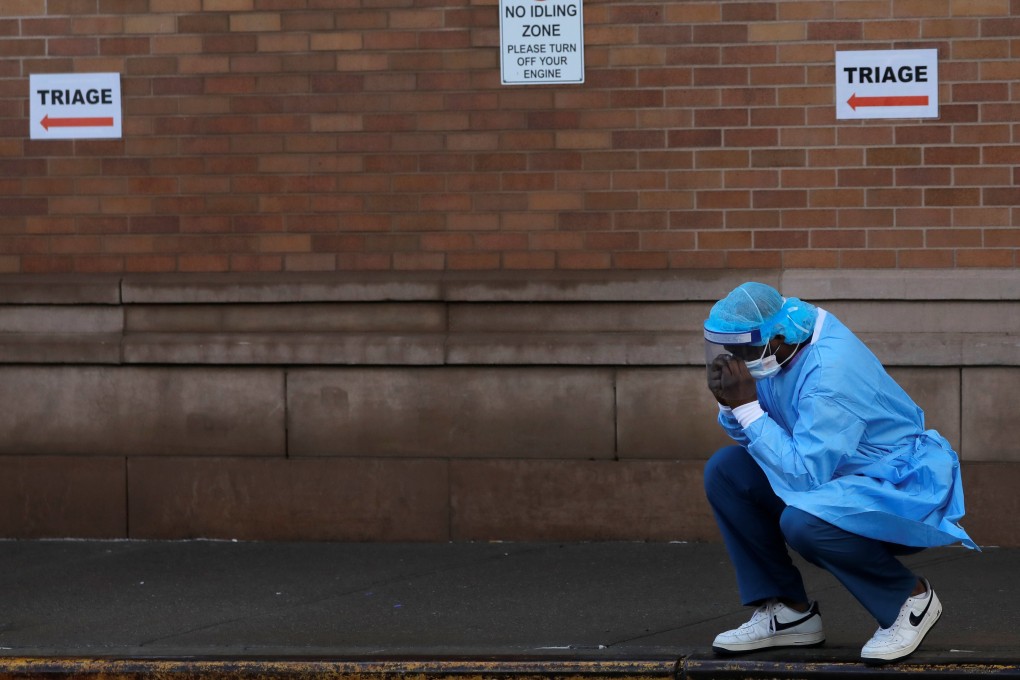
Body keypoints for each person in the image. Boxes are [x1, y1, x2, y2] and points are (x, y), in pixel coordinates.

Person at [701, 281, 976, 665]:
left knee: (803, 522)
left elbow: (802, 476)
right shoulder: (783, 349)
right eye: (729, 351)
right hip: (834, 476)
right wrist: (733, 407)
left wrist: (744, 405)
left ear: (778, 338)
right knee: (726, 471)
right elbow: (761, 442)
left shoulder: (830, 373)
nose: (736, 360)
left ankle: (909, 598)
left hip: (895, 487)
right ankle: (789, 613)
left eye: (743, 351)